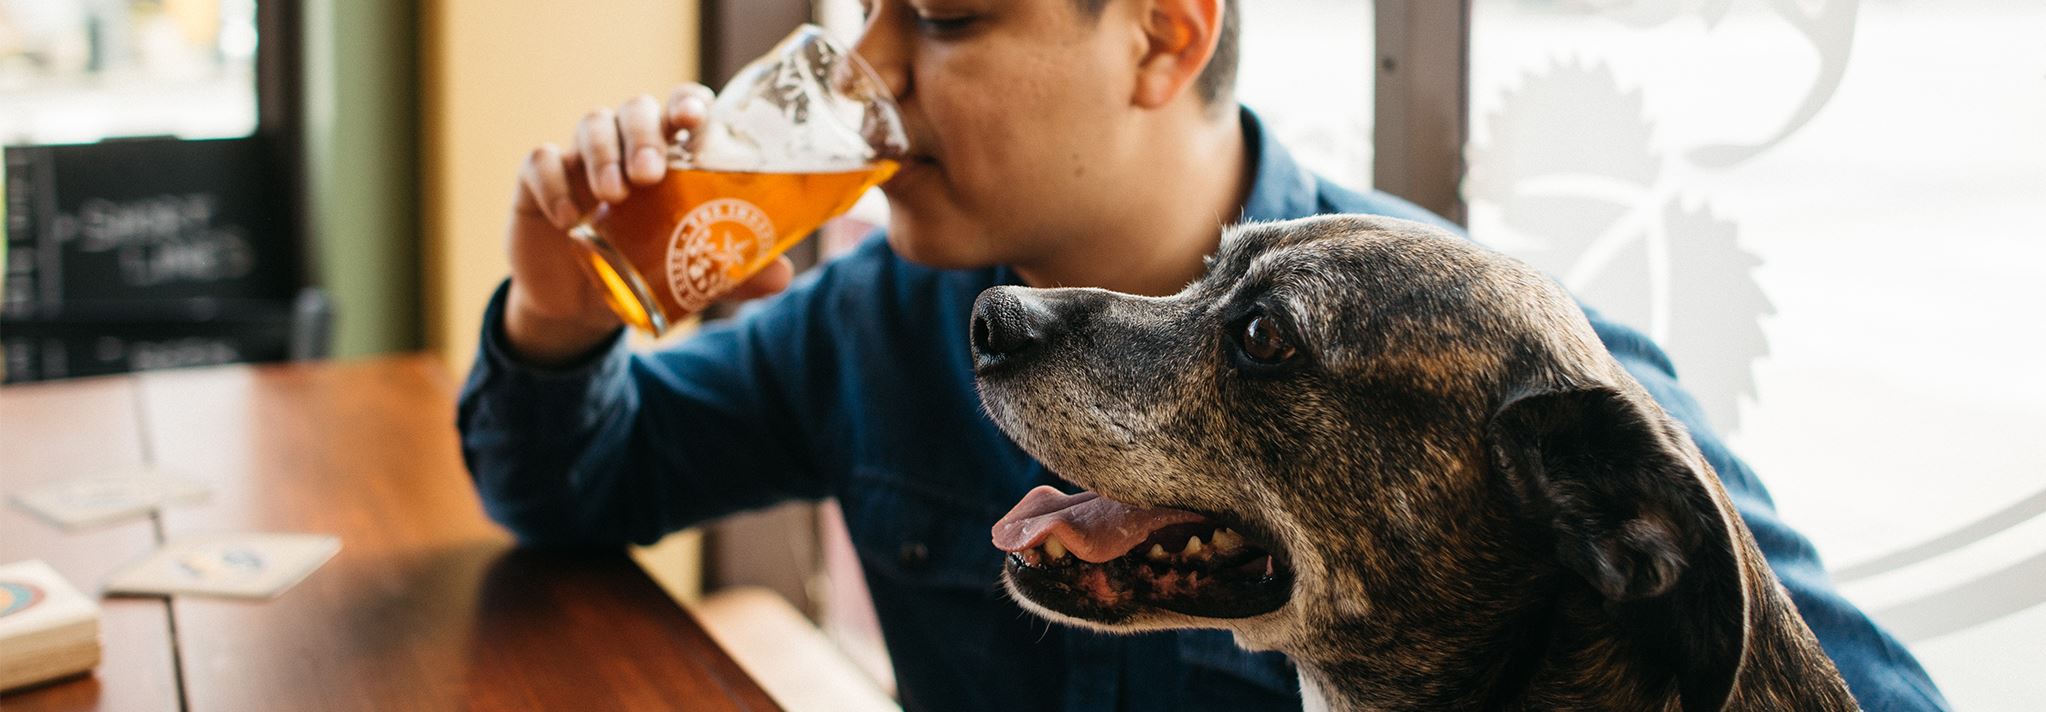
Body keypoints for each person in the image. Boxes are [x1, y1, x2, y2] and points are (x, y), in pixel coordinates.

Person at [458, 1, 1950, 709]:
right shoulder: (870, 321)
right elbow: (572, 485)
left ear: (1163, 37)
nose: (868, 83)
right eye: (858, 17)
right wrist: (558, 304)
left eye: (948, 19)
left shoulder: (1488, 373)